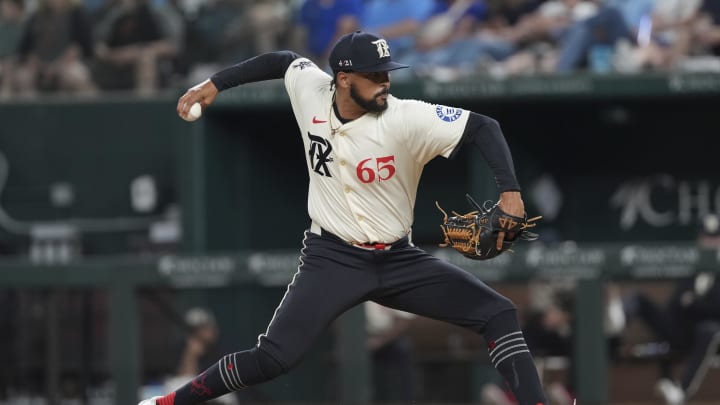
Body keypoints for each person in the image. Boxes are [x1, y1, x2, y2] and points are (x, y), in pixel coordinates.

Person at [140, 30, 549, 405]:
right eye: (374, 75)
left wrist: (510, 193)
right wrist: (214, 84)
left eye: (387, 73)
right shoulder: (310, 91)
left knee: (498, 313)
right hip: (332, 257)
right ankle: (168, 404)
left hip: (398, 259)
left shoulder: (406, 117)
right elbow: (281, 60)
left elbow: (484, 127)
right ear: (343, 78)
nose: (385, 82)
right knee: (272, 359)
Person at [623, 214, 720, 405]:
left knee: (708, 330)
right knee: (639, 298)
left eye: (715, 238)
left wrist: (693, 303)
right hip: (681, 330)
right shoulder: (691, 265)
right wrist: (693, 303)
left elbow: (715, 309)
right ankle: (615, 321)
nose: (710, 243)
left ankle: (681, 391)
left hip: (707, 336)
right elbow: (676, 303)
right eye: (705, 238)